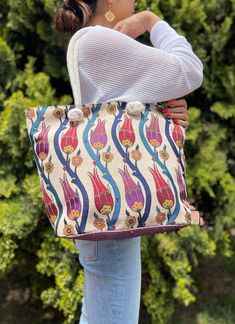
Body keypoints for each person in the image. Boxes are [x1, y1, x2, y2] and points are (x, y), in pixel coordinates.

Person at [54, 1, 203, 323]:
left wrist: (167, 116)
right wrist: (152, 21)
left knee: (101, 314)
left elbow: (127, 116)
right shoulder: (98, 39)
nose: (135, 1)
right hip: (111, 209)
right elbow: (188, 71)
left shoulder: (98, 41)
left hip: (108, 202)